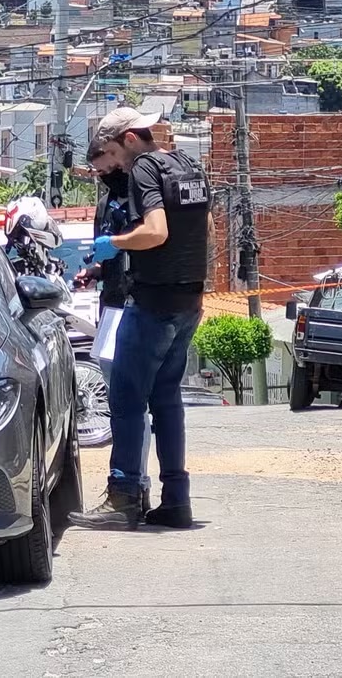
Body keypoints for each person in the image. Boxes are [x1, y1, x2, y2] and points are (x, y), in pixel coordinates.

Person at [68, 108, 213, 531]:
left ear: (130, 139)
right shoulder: (186, 164)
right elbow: (205, 226)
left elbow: (156, 231)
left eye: (114, 153)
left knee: (127, 401)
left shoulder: (144, 169)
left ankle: (124, 497)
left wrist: (115, 243)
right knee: (167, 402)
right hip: (188, 300)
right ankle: (176, 501)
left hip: (151, 302)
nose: (116, 165)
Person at [75, 137, 153, 514]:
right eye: (100, 172)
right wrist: (93, 270)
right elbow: (106, 253)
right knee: (120, 401)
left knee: (130, 404)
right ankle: (131, 487)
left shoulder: (144, 197)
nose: (106, 175)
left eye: (109, 167)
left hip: (137, 305)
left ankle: (131, 487)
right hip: (111, 306)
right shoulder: (106, 203)